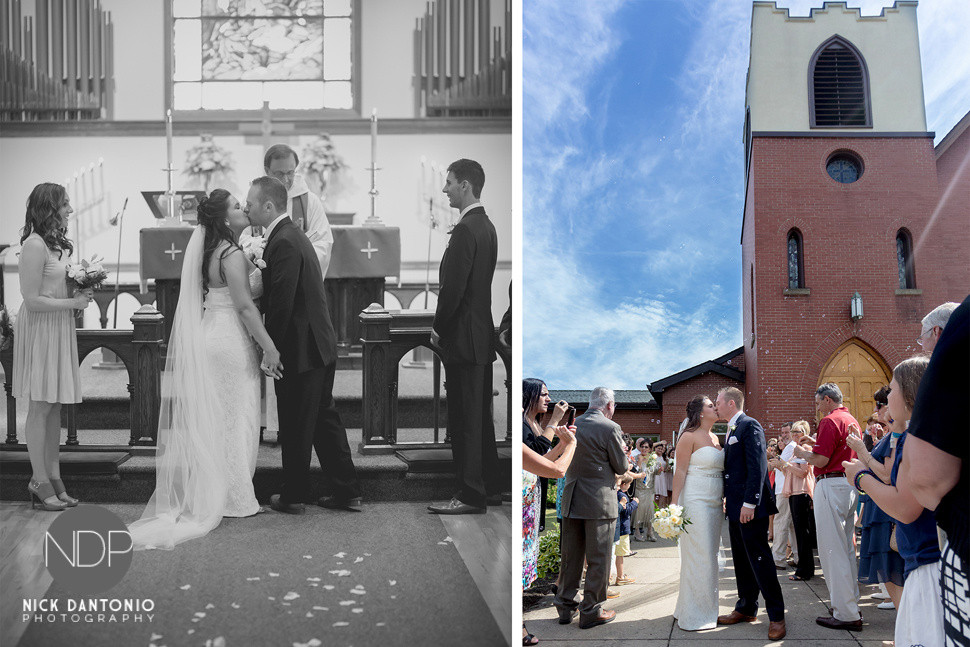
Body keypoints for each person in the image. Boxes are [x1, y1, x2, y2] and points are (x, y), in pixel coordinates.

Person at [129, 189, 283, 548]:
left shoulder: (213, 251)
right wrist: (270, 347)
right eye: (236, 206)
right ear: (225, 218)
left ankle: (218, 493)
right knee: (236, 419)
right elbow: (244, 307)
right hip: (230, 341)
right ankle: (235, 500)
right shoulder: (231, 254)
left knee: (219, 420)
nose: (243, 208)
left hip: (212, 333)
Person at [245, 176, 361, 514]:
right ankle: (347, 491)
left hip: (301, 348)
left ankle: (293, 495)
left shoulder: (283, 241)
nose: (246, 208)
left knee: (296, 422)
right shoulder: (290, 235)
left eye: (250, 203)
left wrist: (270, 348)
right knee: (324, 420)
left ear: (268, 206)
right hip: (317, 344)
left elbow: (281, 303)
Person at [844, 356, 944, 646]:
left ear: (910, 393)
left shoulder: (918, 438)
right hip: (924, 559)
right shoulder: (916, 433)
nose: (887, 398)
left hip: (928, 563)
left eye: (893, 389)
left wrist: (859, 477)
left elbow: (906, 507)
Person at [428, 158, 501, 515]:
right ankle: (490, 488)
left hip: (462, 338)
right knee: (479, 419)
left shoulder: (466, 229)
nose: (445, 189)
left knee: (465, 421)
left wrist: (438, 328)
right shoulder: (487, 226)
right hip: (480, 337)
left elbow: (453, 289)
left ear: (465, 186)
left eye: (449, 182)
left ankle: (471, 495)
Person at [14, 183, 93, 512]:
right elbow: (32, 300)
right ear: (49, 208)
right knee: (40, 406)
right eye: (65, 204)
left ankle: (54, 477)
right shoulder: (34, 246)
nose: (70, 210)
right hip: (40, 330)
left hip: (58, 327)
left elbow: (55, 288)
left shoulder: (58, 246)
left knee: (55, 405)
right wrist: (72, 302)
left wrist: (78, 295)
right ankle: (38, 479)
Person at [897, 296, 969, 645]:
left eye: (922, 338)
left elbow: (926, 477)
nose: (921, 347)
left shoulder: (960, 333)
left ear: (938, 333)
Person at [714, 387, 786, 641]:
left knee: (760, 560)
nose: (715, 406)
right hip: (735, 506)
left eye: (718, 402)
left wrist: (750, 502)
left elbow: (757, 466)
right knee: (741, 560)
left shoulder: (749, 425)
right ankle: (746, 607)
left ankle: (776, 616)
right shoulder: (732, 428)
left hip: (750, 507)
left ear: (731, 403)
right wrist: (729, 499)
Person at [554, 387, 628, 630]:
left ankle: (565, 608)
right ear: (610, 405)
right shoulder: (610, 427)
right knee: (599, 558)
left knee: (571, 557)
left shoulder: (573, 424)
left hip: (572, 497)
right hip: (599, 501)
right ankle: (591, 610)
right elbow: (621, 467)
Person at [793, 382, 861, 631]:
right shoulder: (850, 419)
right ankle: (850, 605)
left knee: (832, 550)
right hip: (848, 484)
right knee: (845, 548)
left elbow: (821, 460)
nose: (817, 407)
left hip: (831, 484)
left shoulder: (830, 420)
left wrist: (802, 452)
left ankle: (845, 613)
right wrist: (815, 441)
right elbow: (838, 449)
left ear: (827, 400)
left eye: (818, 402)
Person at [669, 395, 724, 631]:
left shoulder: (715, 437)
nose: (716, 407)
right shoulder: (688, 436)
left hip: (714, 503)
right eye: (711, 405)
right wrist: (674, 505)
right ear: (701, 413)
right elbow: (680, 471)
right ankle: (696, 614)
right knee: (700, 556)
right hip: (696, 500)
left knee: (709, 554)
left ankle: (691, 607)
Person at [847, 390, 905, 610]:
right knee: (888, 574)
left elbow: (886, 475)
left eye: (880, 404)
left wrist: (862, 451)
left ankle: (905, 627)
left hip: (885, 512)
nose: (876, 409)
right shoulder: (890, 435)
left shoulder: (896, 436)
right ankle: (903, 626)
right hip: (878, 507)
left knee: (893, 572)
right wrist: (861, 447)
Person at [523, 424, 577, 647]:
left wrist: (561, 445)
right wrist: (571, 445)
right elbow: (557, 470)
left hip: (526, 523)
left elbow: (539, 462)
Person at [260, 143, 334, 278]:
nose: (285, 179)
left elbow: (323, 242)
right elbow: (242, 237)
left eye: (290, 173)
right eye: (279, 174)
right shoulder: (254, 199)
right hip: (262, 274)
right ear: (267, 171)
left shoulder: (310, 201)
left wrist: (294, 258)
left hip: (299, 276)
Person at [781, 420, 816, 580]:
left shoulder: (805, 449)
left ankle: (804, 571)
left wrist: (786, 465)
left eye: (798, 432)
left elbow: (803, 472)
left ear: (805, 433)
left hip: (802, 493)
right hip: (794, 493)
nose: (794, 434)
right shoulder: (796, 450)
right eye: (793, 431)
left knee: (802, 533)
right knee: (799, 532)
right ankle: (804, 568)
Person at [769, 423, 799, 569]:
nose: (784, 435)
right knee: (792, 525)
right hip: (784, 489)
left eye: (787, 432)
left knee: (780, 523)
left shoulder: (792, 447)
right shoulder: (789, 447)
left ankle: (778, 559)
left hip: (784, 490)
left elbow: (783, 466)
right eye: (782, 432)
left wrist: (776, 461)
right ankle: (798, 557)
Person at [613, 474, 638, 585]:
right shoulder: (622, 496)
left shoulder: (616, 494)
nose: (629, 486)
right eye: (629, 484)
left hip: (618, 528)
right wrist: (635, 503)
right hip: (622, 529)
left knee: (616, 554)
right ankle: (620, 576)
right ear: (623, 484)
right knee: (620, 554)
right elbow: (626, 510)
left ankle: (616, 576)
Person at [632, 439, 658, 542]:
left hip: (649, 489)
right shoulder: (635, 458)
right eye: (642, 446)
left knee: (650, 511)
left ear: (650, 449)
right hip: (639, 488)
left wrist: (659, 469)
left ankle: (650, 532)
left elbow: (655, 472)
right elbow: (634, 472)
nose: (644, 449)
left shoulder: (653, 459)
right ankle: (637, 532)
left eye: (646, 447)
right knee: (639, 511)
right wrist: (639, 462)